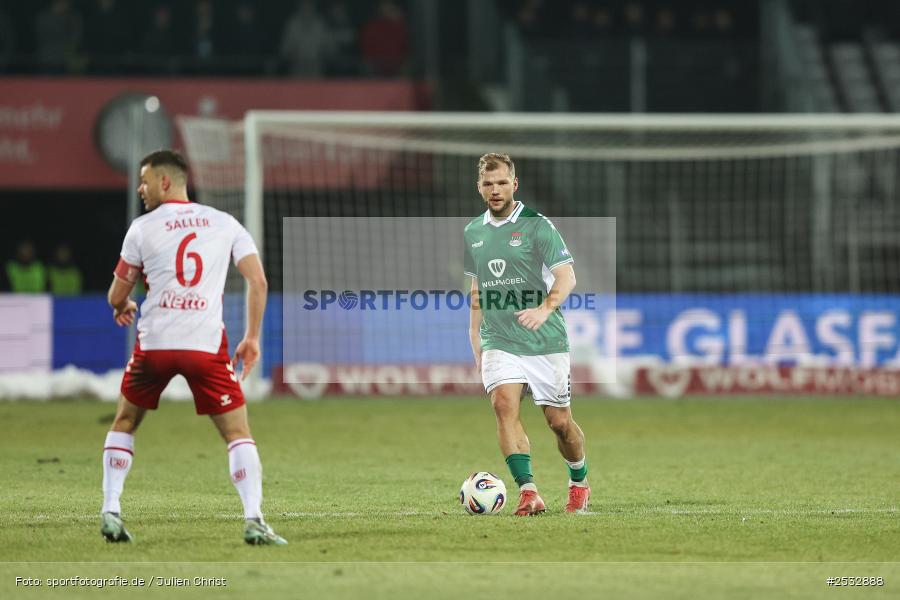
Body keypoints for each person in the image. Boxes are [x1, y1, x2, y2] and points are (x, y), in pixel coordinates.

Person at [100, 149, 286, 545]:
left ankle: (111, 510)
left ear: (165, 182)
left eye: (145, 180)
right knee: (238, 433)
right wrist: (252, 337)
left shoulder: (141, 228)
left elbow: (117, 292)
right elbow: (259, 282)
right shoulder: (225, 223)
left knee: (125, 422)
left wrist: (122, 305)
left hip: (155, 346)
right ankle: (254, 519)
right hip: (205, 346)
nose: (140, 188)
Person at [464, 153, 589, 516]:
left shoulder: (538, 226)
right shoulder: (473, 232)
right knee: (504, 406)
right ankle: (528, 492)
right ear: (479, 188)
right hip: (499, 340)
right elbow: (478, 291)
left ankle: (579, 481)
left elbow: (567, 278)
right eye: (488, 184)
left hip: (544, 340)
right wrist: (475, 339)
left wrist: (544, 309)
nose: (495, 190)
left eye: (502, 182)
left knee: (559, 422)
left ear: (514, 184)